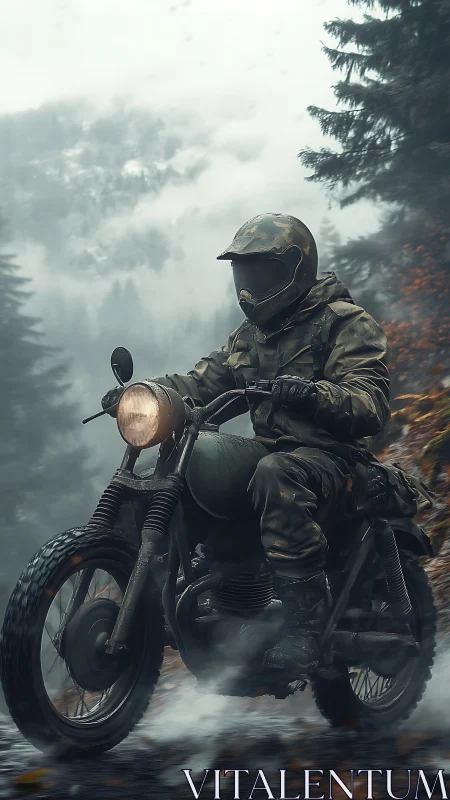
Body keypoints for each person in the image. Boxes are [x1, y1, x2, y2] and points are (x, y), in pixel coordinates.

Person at [102, 213, 390, 680]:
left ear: (296, 268)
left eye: (262, 272)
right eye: (244, 272)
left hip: (335, 463)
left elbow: (370, 403)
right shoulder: (250, 337)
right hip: (273, 456)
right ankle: (177, 584)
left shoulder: (344, 323)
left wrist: (315, 394)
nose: (250, 285)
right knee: (188, 455)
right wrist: (144, 393)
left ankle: (306, 624)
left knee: (277, 472)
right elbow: (200, 382)